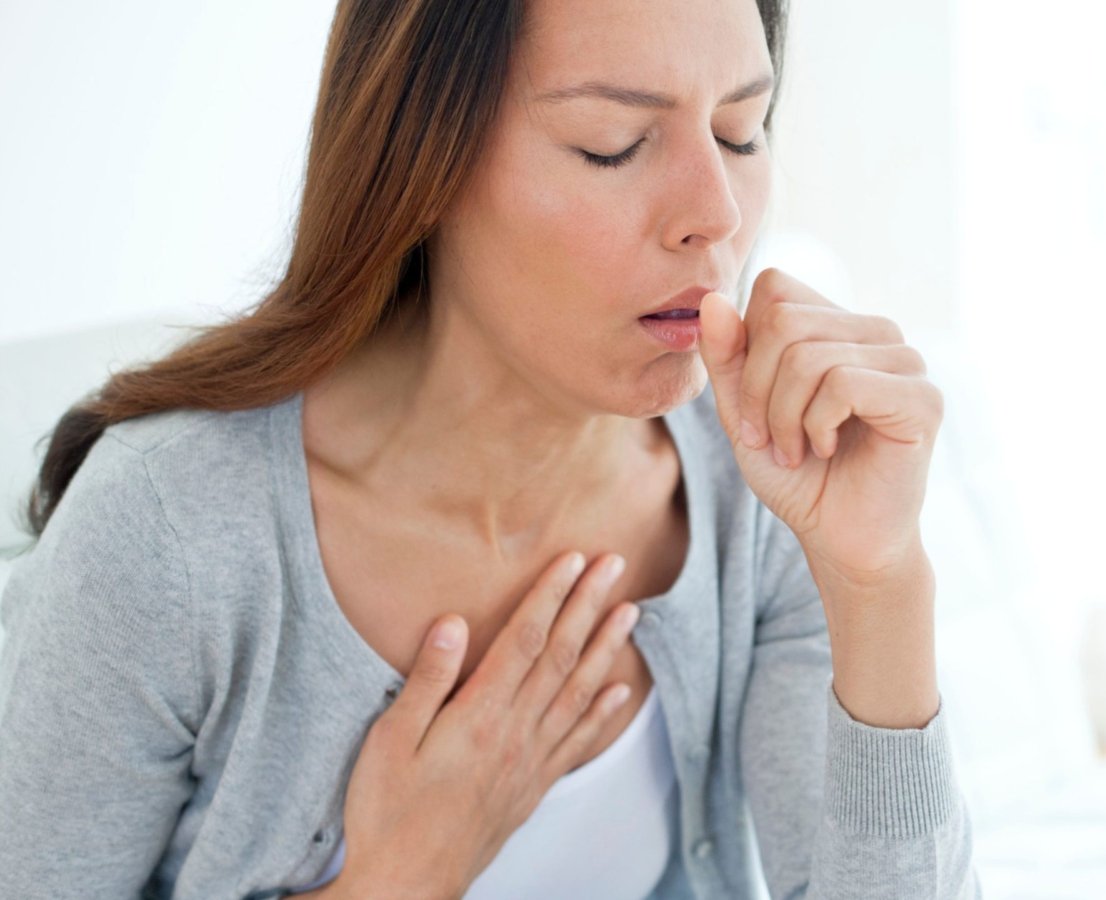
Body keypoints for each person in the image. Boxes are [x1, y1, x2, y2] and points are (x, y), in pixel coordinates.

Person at [0, 0, 980, 897]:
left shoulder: (761, 477)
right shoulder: (164, 542)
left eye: (740, 130)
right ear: (421, 165)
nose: (717, 214)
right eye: (615, 143)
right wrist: (394, 879)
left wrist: (879, 581)